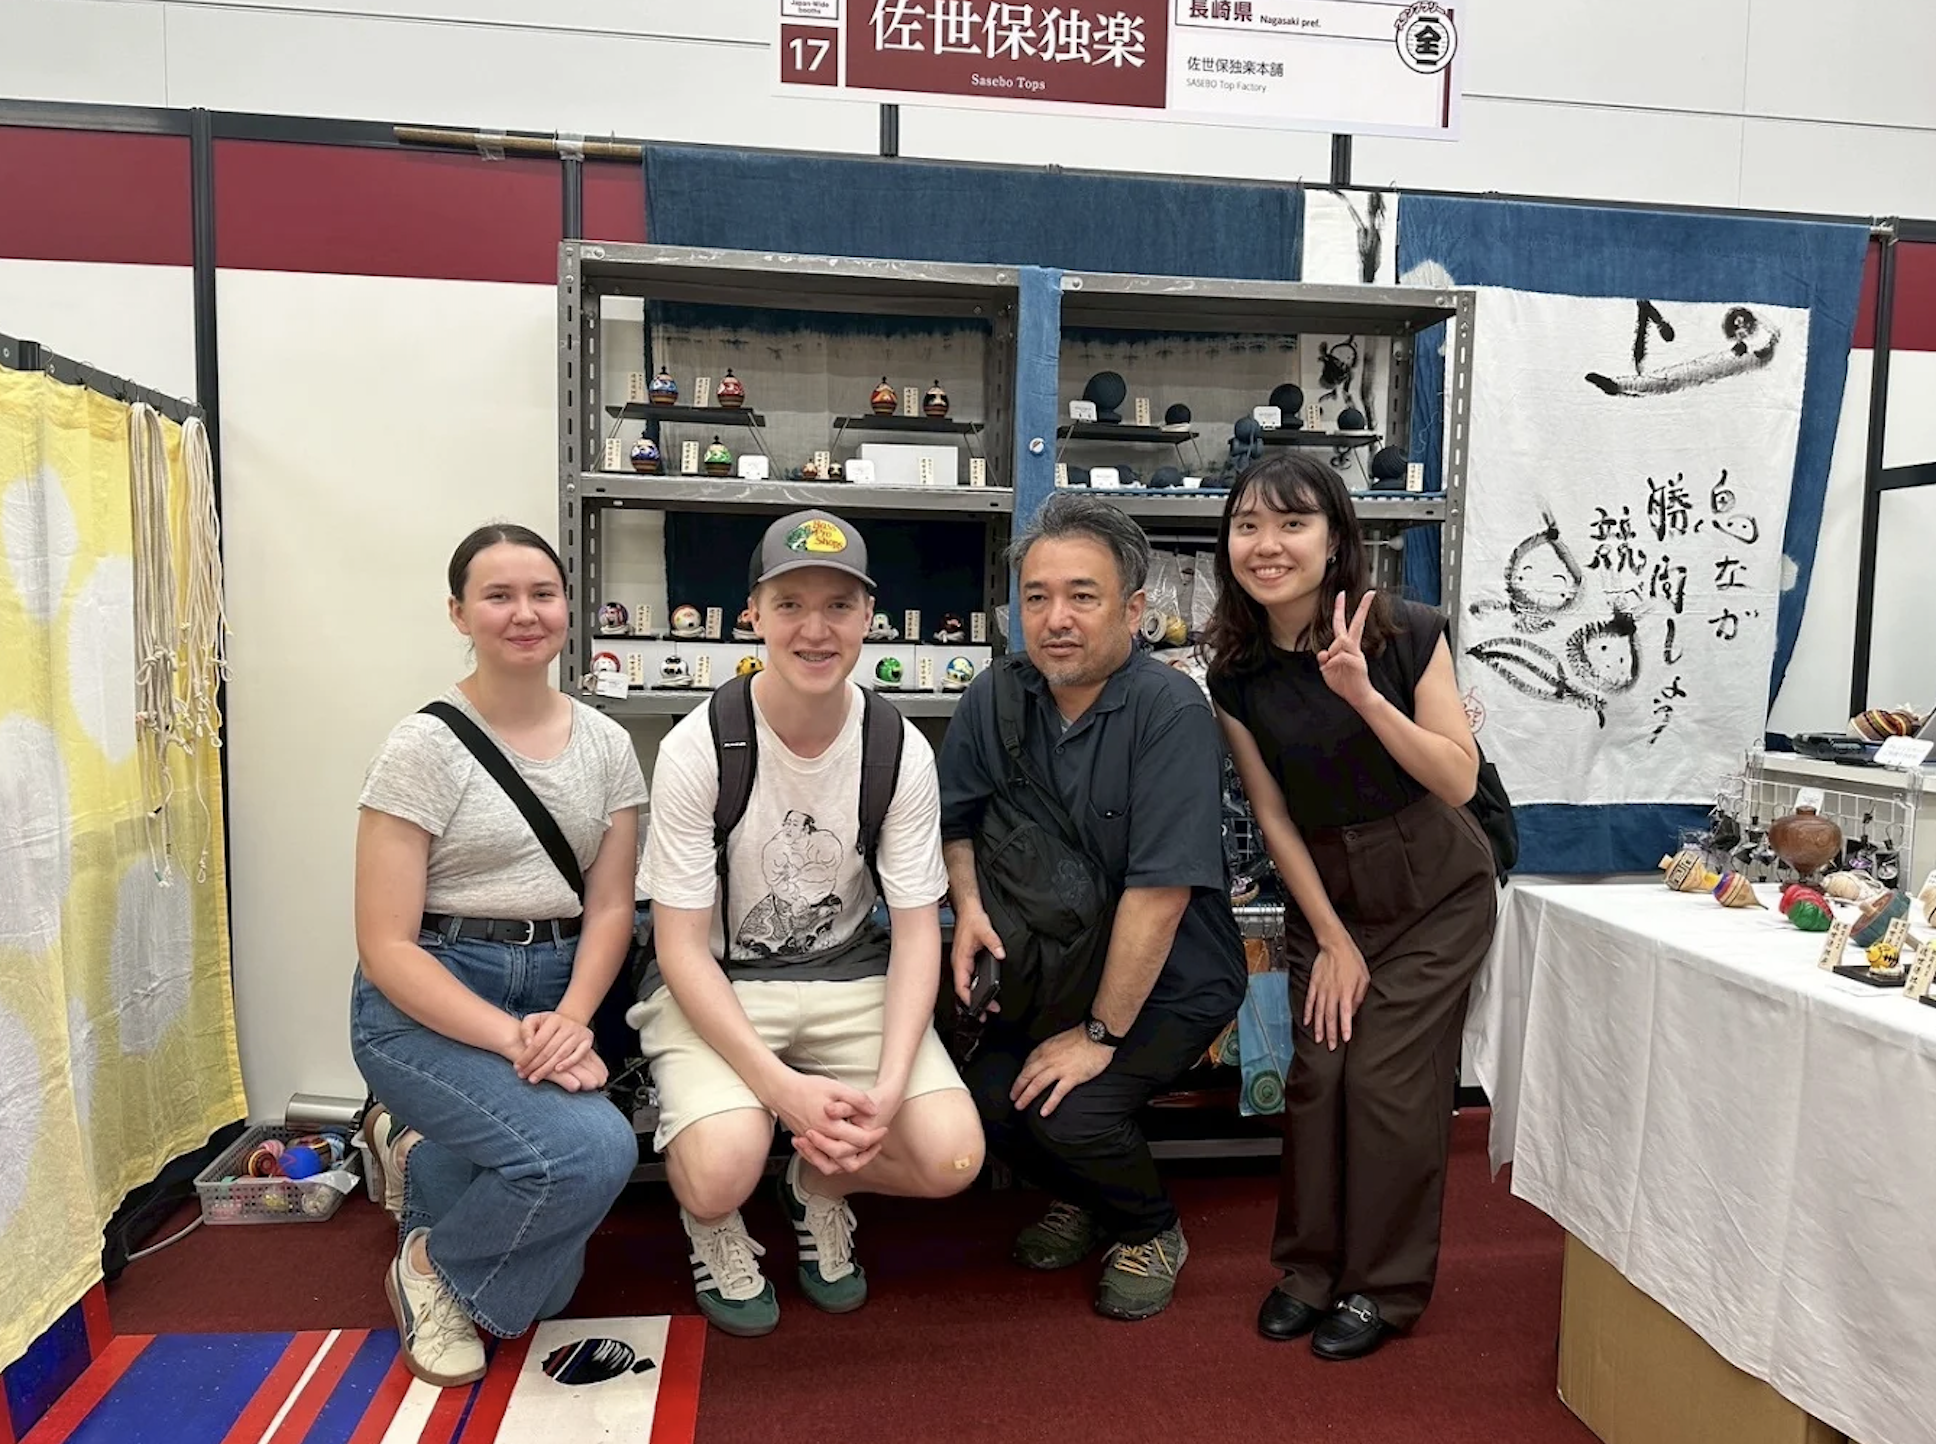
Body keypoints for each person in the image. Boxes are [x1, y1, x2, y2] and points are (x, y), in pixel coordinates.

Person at [631, 509, 984, 1338]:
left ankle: (817, 1188)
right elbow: (679, 948)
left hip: (849, 972)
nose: (814, 629)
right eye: (790, 604)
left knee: (952, 1157)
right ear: (753, 612)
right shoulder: (700, 747)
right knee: (724, 1166)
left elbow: (913, 931)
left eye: (838, 605)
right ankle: (713, 1221)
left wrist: (890, 1085)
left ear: (871, 617)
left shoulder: (898, 748)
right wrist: (781, 1091)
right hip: (718, 982)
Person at [1201, 452, 1498, 1361]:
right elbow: (1274, 815)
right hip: (1328, 896)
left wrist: (1365, 696)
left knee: (1386, 1085)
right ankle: (1310, 1271)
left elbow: (1456, 776)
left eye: (1293, 523)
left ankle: (1384, 1287)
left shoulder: (1406, 631)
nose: (1268, 544)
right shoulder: (1237, 670)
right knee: (1320, 1075)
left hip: (1435, 887)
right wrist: (1330, 939)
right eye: (1248, 525)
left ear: (1335, 540)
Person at [937, 491, 1246, 1322]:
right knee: (975, 1104)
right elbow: (955, 823)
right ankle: (1086, 1198)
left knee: (1069, 1108)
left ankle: (1148, 1228)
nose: (1056, 619)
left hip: (1170, 978)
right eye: (1037, 597)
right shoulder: (994, 698)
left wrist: (1099, 1036)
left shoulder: (1169, 711)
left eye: (1083, 595)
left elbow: (1160, 896)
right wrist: (966, 908)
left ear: (1134, 610)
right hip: (1046, 965)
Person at [351, 523, 647, 1387]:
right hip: (430, 1004)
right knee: (590, 1156)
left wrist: (572, 1021)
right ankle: (432, 1271)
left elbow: (611, 903)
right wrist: (516, 1041)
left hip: (559, 991)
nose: (525, 614)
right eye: (499, 596)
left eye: (543, 594)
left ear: (568, 608)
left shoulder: (605, 745)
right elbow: (385, 946)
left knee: (550, 1290)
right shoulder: (422, 747)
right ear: (460, 613)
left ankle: (423, 1156)